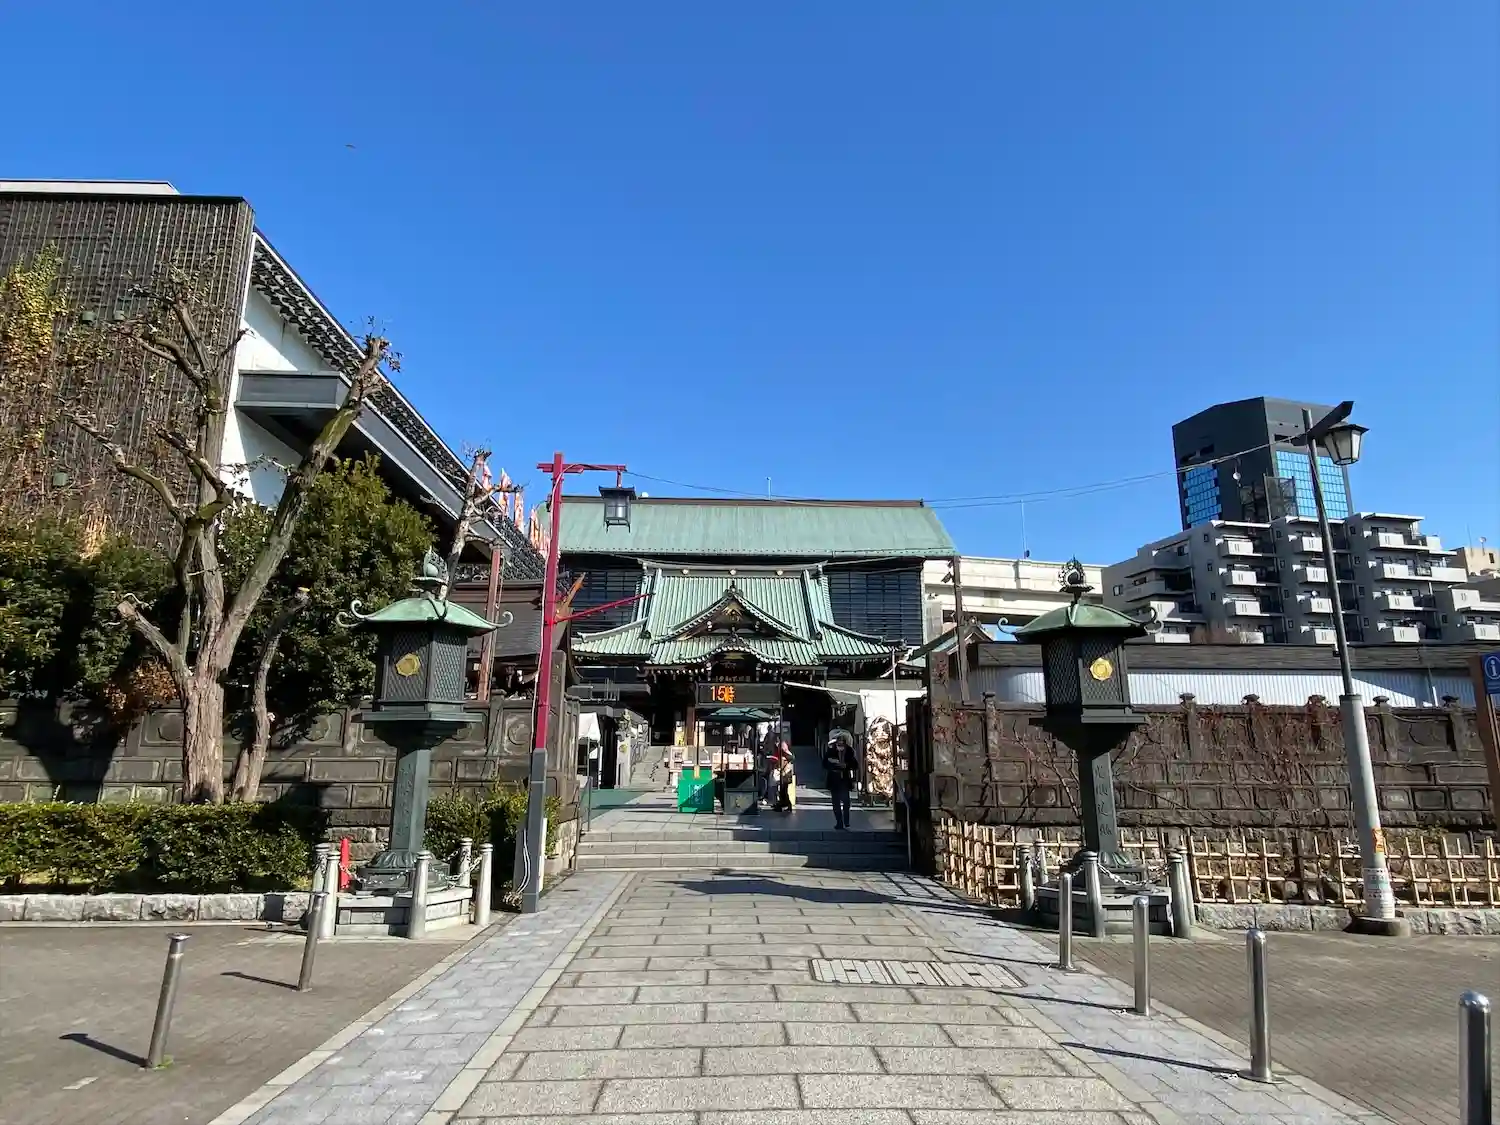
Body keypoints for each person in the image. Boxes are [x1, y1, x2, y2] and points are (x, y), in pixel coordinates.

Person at [822, 731, 858, 830]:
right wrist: (833, 765)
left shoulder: (849, 751)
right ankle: (839, 822)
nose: (840, 744)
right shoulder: (831, 751)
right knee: (836, 803)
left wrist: (846, 765)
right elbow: (824, 764)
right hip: (834, 779)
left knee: (846, 802)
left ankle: (846, 821)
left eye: (842, 742)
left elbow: (855, 765)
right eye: (838, 742)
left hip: (844, 780)